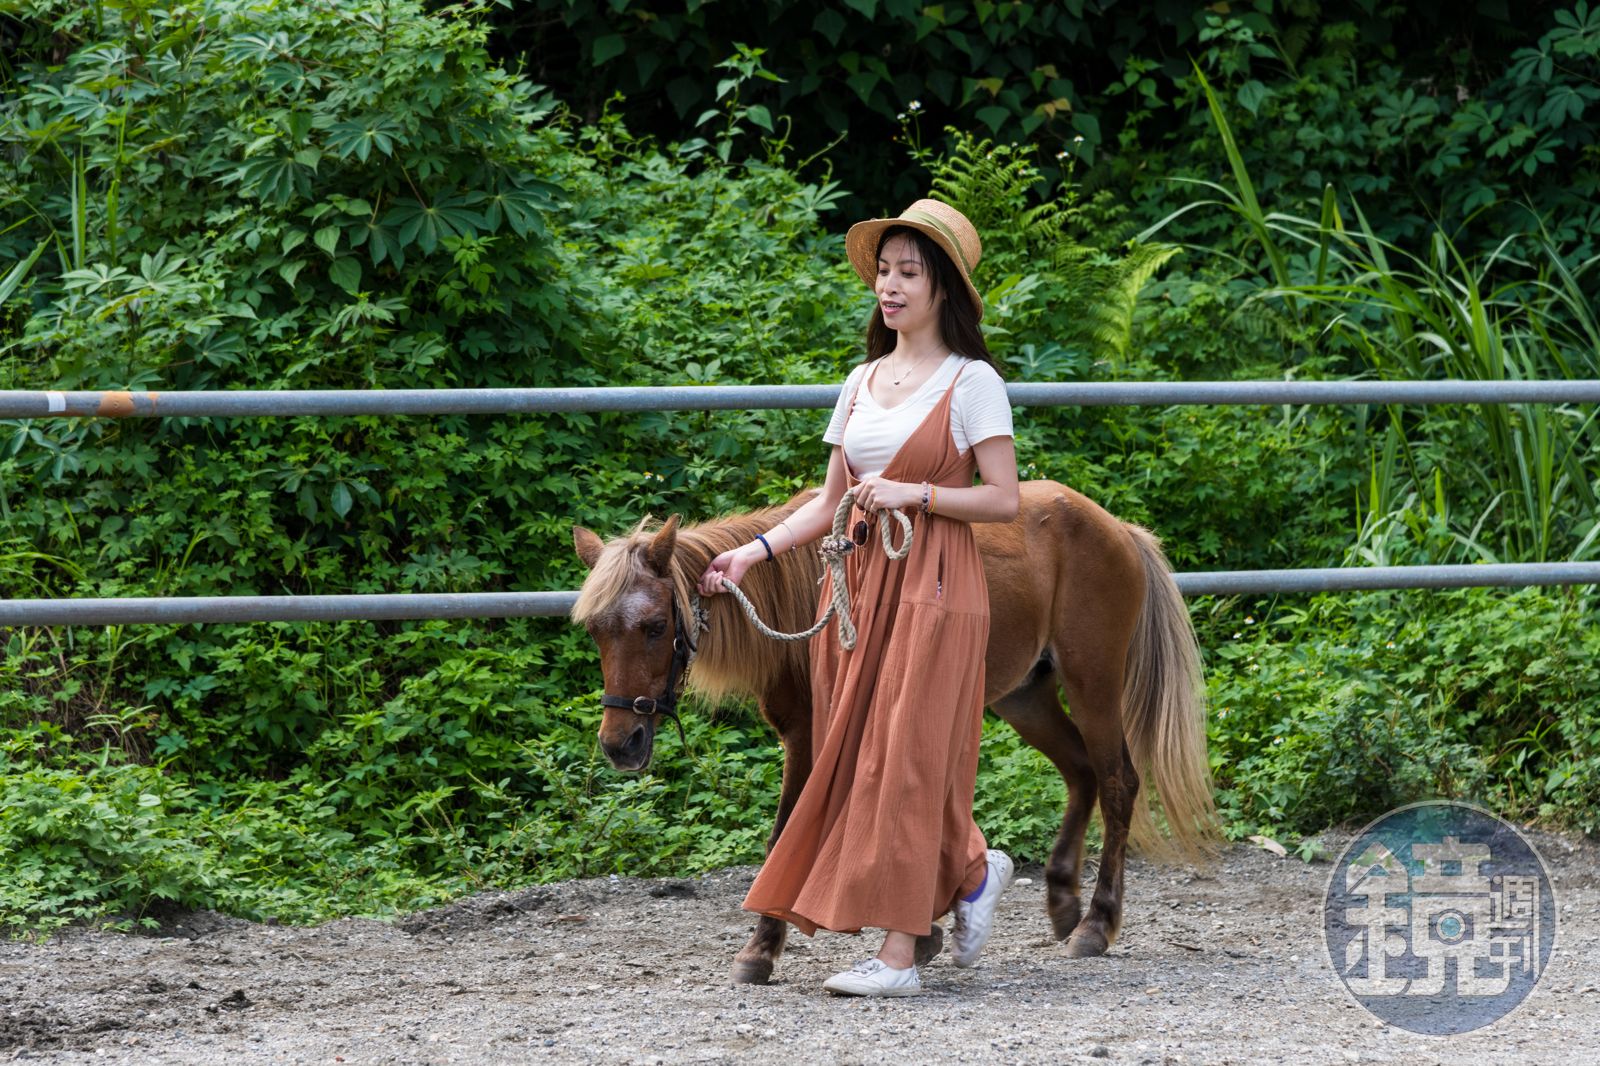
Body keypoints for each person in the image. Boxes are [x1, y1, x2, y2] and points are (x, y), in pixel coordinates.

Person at [697, 198, 1019, 998]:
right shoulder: (861, 381)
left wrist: (919, 493)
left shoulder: (972, 382)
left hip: (935, 582)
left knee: (908, 754)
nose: (890, 285)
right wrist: (753, 553)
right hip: (860, 586)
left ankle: (900, 955)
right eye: (884, 270)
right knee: (866, 752)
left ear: (943, 288)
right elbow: (829, 500)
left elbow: (1003, 499)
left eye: (909, 272)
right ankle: (973, 870)